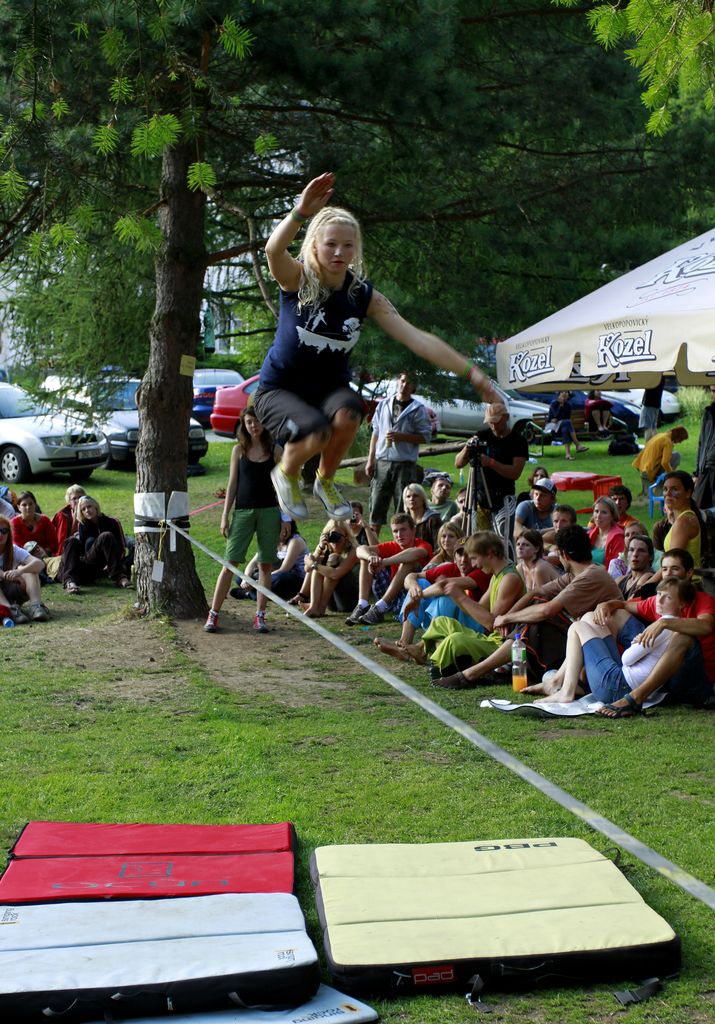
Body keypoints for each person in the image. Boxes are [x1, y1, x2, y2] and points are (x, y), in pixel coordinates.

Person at [254, 171, 497, 521]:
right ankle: (287, 473)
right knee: (315, 430)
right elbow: (273, 249)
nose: (339, 253)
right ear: (314, 246)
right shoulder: (297, 280)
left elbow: (418, 339)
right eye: (331, 244)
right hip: (280, 390)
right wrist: (299, 212)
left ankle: (325, 479)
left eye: (348, 246)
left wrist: (473, 373)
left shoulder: (363, 296)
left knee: (351, 411)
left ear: (356, 249)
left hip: (328, 390)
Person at [438, 525, 622, 690]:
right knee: (536, 610)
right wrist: (507, 617)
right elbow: (535, 593)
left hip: (604, 648)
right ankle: (491, 669)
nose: (474, 564)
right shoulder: (574, 574)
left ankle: (474, 673)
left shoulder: (589, 575)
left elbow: (544, 610)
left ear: (564, 554)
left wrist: (506, 618)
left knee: (541, 616)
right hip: (584, 642)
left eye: (474, 558)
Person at [587, 548, 715, 714]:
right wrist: (606, 605)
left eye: (675, 569)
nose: (669, 574)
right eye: (664, 569)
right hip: (664, 677)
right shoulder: (659, 600)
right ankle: (588, 680)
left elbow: (706, 626)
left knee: (683, 635)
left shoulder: (703, 600)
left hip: (696, 678)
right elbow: (624, 605)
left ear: (689, 572)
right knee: (614, 615)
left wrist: (664, 623)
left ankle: (635, 699)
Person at [533, 578, 694, 707]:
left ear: (681, 604)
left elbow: (627, 659)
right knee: (590, 618)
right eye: (659, 594)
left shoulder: (662, 627)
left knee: (577, 627)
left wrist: (636, 642)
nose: (660, 600)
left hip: (616, 686)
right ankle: (560, 681)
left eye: (668, 597)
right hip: (621, 679)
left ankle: (566, 691)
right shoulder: (672, 625)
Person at [204, 408, 280, 635]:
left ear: (264, 423)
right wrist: (225, 515)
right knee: (230, 563)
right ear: (243, 425)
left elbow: (284, 487)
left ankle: (260, 616)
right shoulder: (238, 450)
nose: (253, 426)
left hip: (269, 511)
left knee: (265, 564)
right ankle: (214, 614)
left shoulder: (276, 450)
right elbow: (232, 484)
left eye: (256, 421)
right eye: (248, 422)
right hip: (243, 512)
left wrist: (286, 518)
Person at [373, 541, 489, 662]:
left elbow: (445, 586)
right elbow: (411, 576)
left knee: (445, 599)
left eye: (468, 555)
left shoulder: (480, 573)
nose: (463, 559)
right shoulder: (451, 568)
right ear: (454, 558)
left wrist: (418, 597)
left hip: (477, 626)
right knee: (420, 584)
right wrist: (414, 587)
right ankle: (403, 644)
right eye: (460, 555)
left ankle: (422, 650)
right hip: (453, 621)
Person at [365, 372, 432, 534]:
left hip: (405, 464)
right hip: (382, 462)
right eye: (402, 381)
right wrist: (370, 460)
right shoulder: (384, 404)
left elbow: (425, 436)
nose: (404, 385)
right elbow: (376, 432)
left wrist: (401, 437)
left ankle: (401, 548)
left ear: (413, 387)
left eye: (409, 383)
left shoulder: (418, 409)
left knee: (403, 509)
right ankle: (373, 547)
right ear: (397, 382)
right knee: (376, 506)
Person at [345, 512, 432, 626]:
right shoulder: (392, 545)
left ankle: (379, 608)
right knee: (366, 557)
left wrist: (384, 562)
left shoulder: (423, 545)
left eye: (403, 530)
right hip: (392, 591)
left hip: (414, 592)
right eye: (395, 531)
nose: (399, 534)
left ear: (413, 530)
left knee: (409, 562)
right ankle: (362, 605)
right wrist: (371, 558)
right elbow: (360, 549)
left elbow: (416, 553)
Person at [454, 403, 528, 532]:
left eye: (496, 422)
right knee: (477, 538)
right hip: (479, 495)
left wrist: (491, 463)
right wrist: (467, 447)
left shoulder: (518, 441)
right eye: (490, 422)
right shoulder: (481, 436)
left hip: (503, 495)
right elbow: (458, 464)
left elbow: (515, 473)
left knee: (503, 538)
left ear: (506, 417)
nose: (493, 426)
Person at [57, 496, 131, 596]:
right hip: (86, 563)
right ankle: (70, 581)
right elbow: (83, 551)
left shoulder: (113, 522)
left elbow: (122, 548)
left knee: (106, 535)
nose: (87, 510)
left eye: (89, 507)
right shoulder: (82, 525)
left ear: (96, 507)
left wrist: (109, 564)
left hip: (100, 566)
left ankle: (120, 577)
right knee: (71, 541)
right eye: (83, 509)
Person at [237, 518, 310, 601]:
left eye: (286, 530)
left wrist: (258, 582)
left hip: (296, 578)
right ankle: (257, 592)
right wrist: (245, 580)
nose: (283, 534)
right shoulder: (271, 540)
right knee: (240, 577)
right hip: (273, 574)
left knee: (279, 579)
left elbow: (284, 569)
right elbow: (253, 563)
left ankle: (251, 594)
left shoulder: (295, 541)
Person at [300, 519, 359, 618]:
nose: (335, 540)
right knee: (318, 566)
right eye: (332, 535)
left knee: (329, 563)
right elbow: (307, 569)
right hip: (331, 602)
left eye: (339, 536)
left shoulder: (353, 550)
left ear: (346, 537)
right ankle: (315, 607)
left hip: (348, 600)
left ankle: (318, 608)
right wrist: (320, 548)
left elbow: (335, 574)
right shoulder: (326, 547)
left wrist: (313, 564)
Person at [0, 514, 49, 623]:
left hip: (13, 589)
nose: (1, 534)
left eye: (4, 531)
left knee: (29, 570)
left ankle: (36, 606)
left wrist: (19, 571)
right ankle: (10, 610)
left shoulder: (13, 549)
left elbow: (39, 563)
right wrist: (5, 575)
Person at [632, 425, 688, 499]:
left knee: (673, 454)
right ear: (678, 437)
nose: (680, 442)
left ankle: (654, 486)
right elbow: (664, 462)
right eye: (681, 440)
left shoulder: (660, 435)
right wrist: (672, 474)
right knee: (676, 456)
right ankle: (664, 482)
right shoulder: (667, 442)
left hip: (642, 468)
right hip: (649, 471)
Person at [11, 491, 58, 558]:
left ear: (35, 505)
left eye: (30, 504)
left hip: (45, 556)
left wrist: (42, 553)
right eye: (24, 505)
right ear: (18, 507)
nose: (28, 507)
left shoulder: (45, 520)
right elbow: (16, 546)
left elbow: (53, 544)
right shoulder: (14, 523)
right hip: (23, 559)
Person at [612, 533, 657, 601]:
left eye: (641, 550)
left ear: (651, 556)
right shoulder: (620, 581)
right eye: (632, 550)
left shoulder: (652, 580)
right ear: (627, 555)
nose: (635, 554)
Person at [546, 391, 588, 461]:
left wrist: (558, 418)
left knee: (565, 429)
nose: (565, 394)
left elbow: (565, 417)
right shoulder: (554, 403)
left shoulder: (569, 405)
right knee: (567, 423)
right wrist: (561, 405)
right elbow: (555, 415)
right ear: (559, 395)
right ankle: (577, 445)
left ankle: (568, 455)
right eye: (563, 392)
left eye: (566, 392)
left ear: (568, 396)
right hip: (552, 427)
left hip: (563, 426)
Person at [587, 496, 625, 570]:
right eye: (596, 511)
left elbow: (616, 569)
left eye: (604, 512)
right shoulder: (590, 535)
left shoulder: (618, 538)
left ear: (612, 516)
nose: (598, 516)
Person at [401, 483, 442, 550]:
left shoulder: (433, 519)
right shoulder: (403, 521)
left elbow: (439, 547)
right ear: (404, 500)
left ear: (423, 499)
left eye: (415, 496)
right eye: (408, 496)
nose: (411, 499)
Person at [693, 385, 715, 512]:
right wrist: (697, 472)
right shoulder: (709, 413)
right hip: (705, 470)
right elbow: (701, 444)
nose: (714, 395)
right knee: (700, 512)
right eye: (713, 391)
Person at [52, 484, 86, 555]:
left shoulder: (88, 511)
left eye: (80, 497)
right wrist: (75, 521)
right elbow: (63, 544)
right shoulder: (62, 516)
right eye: (74, 498)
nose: (78, 501)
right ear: (69, 501)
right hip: (67, 552)